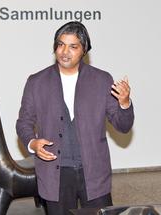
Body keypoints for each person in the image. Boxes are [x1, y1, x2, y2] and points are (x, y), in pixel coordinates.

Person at [16, 21, 134, 215]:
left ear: (84, 50)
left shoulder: (102, 80)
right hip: (55, 172)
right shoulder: (36, 81)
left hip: (94, 172)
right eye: (60, 44)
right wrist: (32, 143)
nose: (64, 51)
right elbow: (24, 122)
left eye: (73, 46)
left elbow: (123, 126)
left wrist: (124, 103)